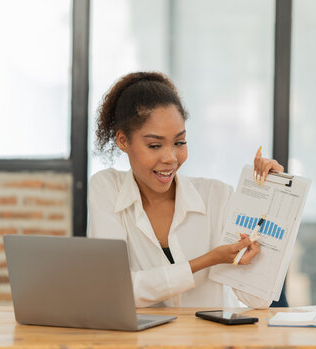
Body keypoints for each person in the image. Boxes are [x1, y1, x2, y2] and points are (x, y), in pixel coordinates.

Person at [88, 72, 284, 308]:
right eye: (154, 145)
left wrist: (272, 197)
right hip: (138, 346)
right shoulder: (107, 189)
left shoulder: (217, 197)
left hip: (208, 345)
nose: (171, 158)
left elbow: (258, 300)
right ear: (123, 141)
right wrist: (209, 260)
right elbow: (115, 290)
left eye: (179, 142)